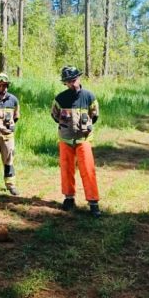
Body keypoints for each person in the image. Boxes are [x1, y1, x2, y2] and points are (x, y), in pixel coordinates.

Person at [51, 66, 101, 218]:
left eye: (73, 80)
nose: (72, 84)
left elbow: (95, 115)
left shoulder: (89, 96)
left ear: (79, 78)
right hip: (65, 139)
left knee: (88, 169)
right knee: (66, 169)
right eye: (68, 82)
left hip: (83, 139)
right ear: (64, 83)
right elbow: (54, 115)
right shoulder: (60, 98)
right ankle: (69, 198)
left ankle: (93, 202)